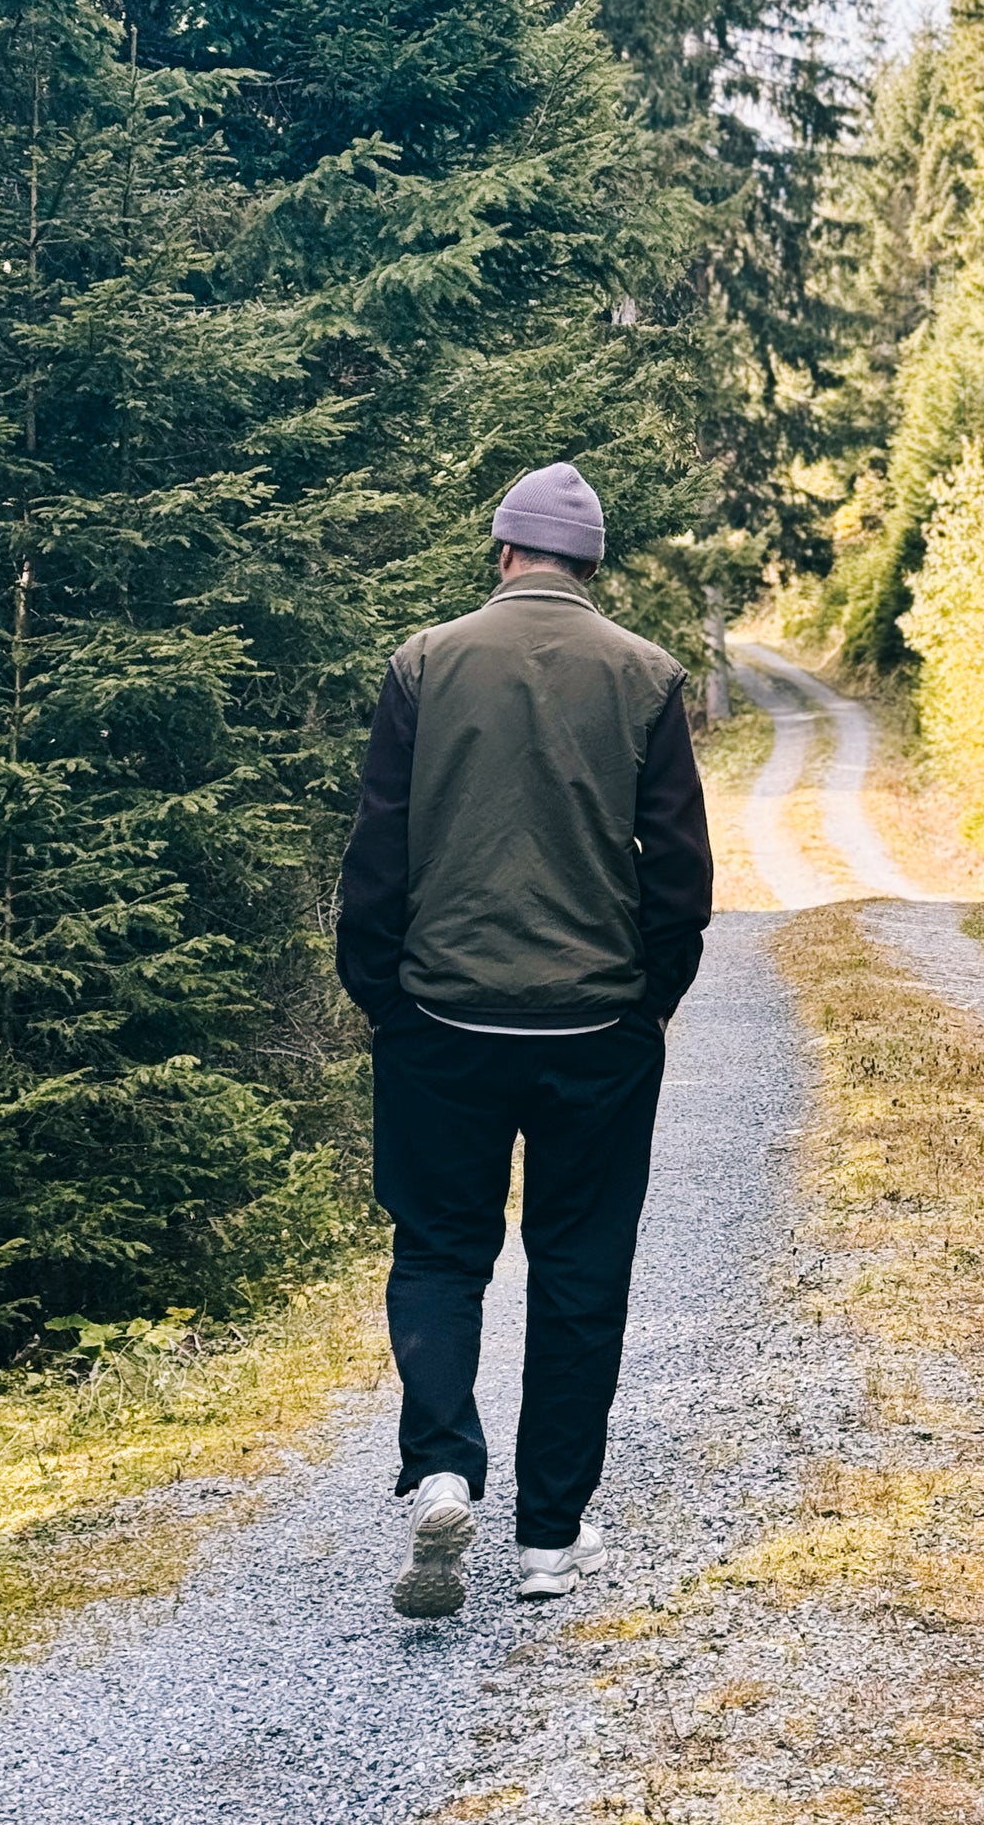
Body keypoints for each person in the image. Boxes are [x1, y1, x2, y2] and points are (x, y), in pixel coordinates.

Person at [335, 461, 713, 1619]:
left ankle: (443, 1468)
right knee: (581, 1272)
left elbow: (378, 855)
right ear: (590, 567)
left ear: (503, 554)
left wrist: (384, 1000)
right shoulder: (646, 675)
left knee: (442, 1253)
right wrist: (648, 1003)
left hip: (441, 1024)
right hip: (594, 1031)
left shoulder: (424, 662)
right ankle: (550, 1542)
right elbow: (680, 878)